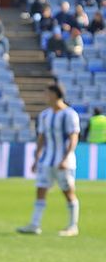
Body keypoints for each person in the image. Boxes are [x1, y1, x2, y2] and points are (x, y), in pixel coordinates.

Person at [18, 83, 81, 236]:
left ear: (55, 94)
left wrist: (65, 158)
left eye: (47, 93)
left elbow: (74, 137)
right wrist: (36, 158)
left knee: (68, 192)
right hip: (47, 160)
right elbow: (42, 137)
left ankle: (73, 226)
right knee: (40, 189)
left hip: (63, 161)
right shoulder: (45, 115)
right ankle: (34, 224)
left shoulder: (69, 114)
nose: (45, 96)